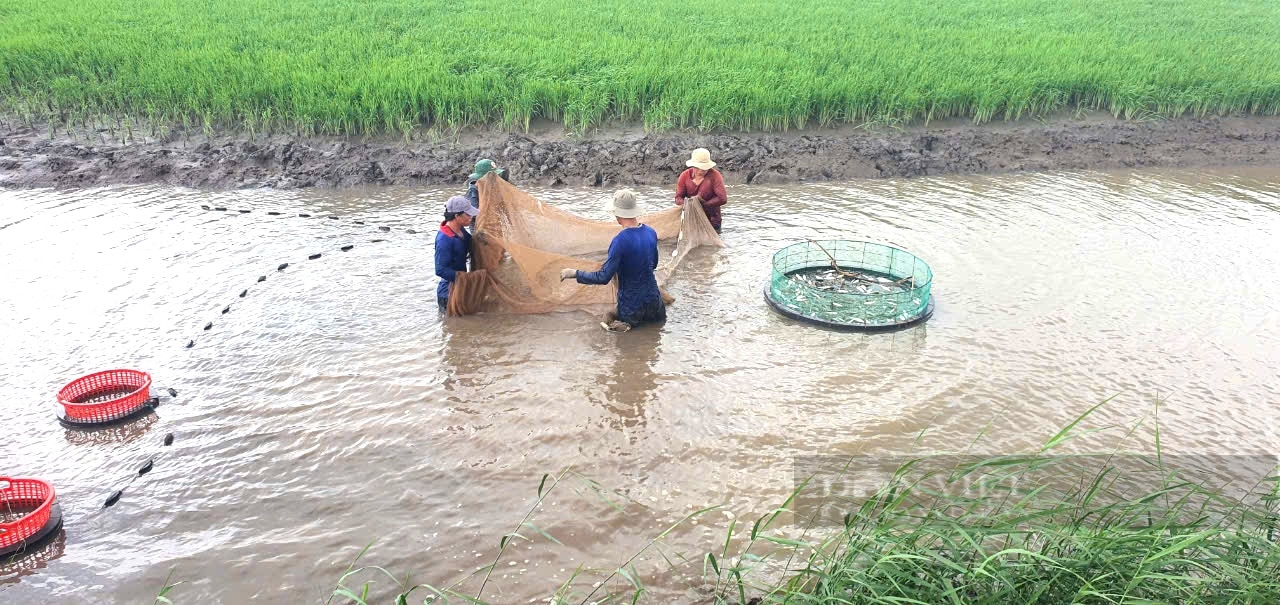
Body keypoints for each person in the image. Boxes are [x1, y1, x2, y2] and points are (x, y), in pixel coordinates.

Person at [559, 190, 666, 332]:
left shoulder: (620, 241)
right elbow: (654, 264)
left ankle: (623, 327)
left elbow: (603, 277)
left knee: (611, 327)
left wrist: (574, 273)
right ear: (634, 212)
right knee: (654, 338)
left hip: (632, 310)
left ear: (617, 215)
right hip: (656, 306)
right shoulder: (651, 232)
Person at [435, 195, 477, 312]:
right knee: (451, 327)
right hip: (448, 295)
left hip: (460, 287)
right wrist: (467, 278)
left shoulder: (460, 229)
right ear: (456, 216)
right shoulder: (444, 240)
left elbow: (471, 243)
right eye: (468, 214)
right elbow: (440, 269)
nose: (471, 217)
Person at [673, 148, 727, 233]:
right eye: (697, 168)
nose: (700, 171)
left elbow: (722, 198)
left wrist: (702, 205)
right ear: (693, 166)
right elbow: (678, 198)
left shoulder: (715, 176)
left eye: (704, 169)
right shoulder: (684, 176)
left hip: (712, 221)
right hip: (692, 219)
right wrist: (689, 204)